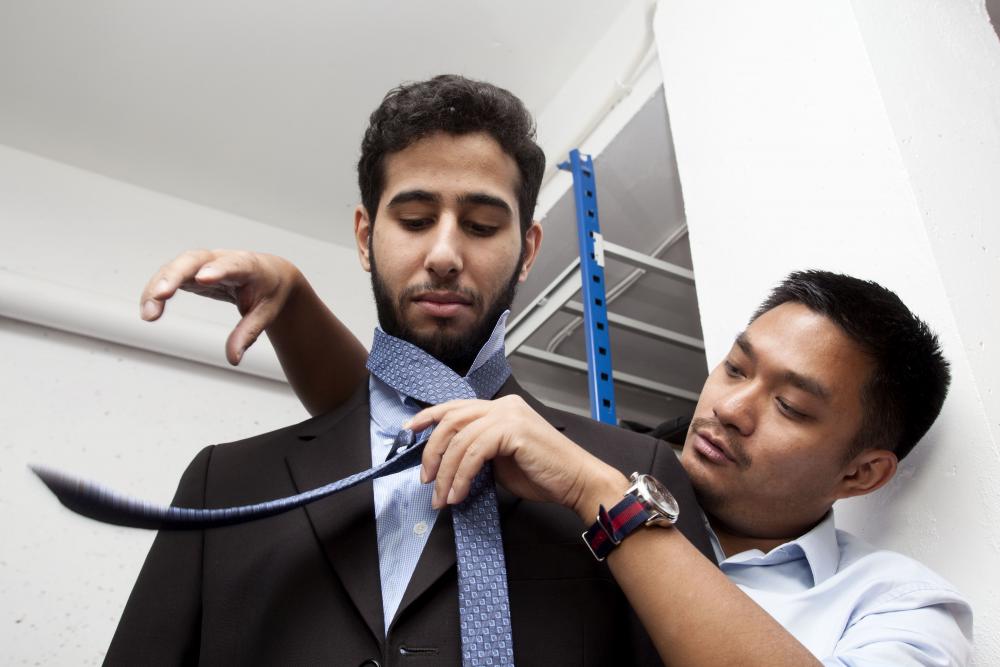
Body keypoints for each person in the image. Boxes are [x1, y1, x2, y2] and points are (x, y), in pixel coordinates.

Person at [107, 75, 716, 666]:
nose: (446, 255)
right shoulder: (226, 482)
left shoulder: (633, 478)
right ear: (366, 237)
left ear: (528, 250)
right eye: (416, 220)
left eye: (481, 226)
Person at [144, 246, 975, 665]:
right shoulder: (575, 494)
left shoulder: (896, 607)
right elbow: (407, 428)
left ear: (863, 472)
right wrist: (293, 306)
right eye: (735, 366)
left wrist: (599, 494)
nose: (731, 407)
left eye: (791, 405)